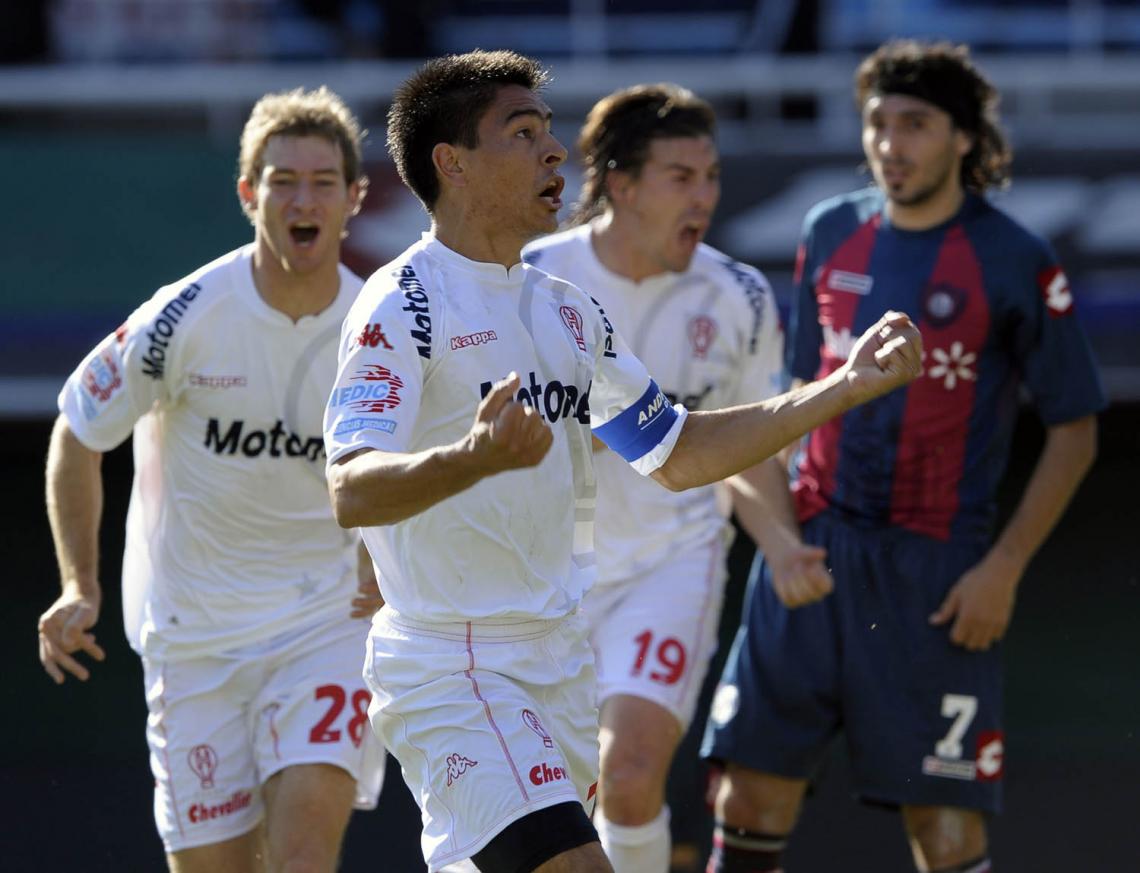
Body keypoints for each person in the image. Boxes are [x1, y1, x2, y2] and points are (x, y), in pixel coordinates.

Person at [323, 49, 923, 873]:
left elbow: (677, 451)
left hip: (556, 660)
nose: (555, 152)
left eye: (549, 132)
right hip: (454, 660)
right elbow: (351, 487)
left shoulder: (568, 312)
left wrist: (842, 388)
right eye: (524, 133)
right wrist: (471, 457)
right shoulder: (403, 302)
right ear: (452, 165)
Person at [701, 40, 1105, 873]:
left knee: (945, 828)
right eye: (877, 124)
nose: (890, 143)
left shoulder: (1013, 256)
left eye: (914, 124)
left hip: (937, 574)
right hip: (813, 546)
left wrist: (1004, 568)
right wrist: (776, 540)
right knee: (746, 798)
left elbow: (1076, 429)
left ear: (963, 138)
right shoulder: (830, 229)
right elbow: (789, 399)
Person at [37, 86, 386, 873]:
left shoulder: (382, 327)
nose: (303, 199)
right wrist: (78, 584)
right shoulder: (184, 316)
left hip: (325, 626)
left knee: (302, 856)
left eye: (323, 181)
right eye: (283, 180)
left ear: (355, 197)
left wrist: (388, 559)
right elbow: (77, 430)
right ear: (247, 193)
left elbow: (423, 463)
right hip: (194, 638)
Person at [521, 83, 821, 873]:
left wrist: (782, 544)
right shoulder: (531, 281)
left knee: (627, 773)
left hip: (671, 564)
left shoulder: (740, 295)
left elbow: (748, 445)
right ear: (620, 183)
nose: (705, 196)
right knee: (557, 800)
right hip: (545, 576)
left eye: (712, 176)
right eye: (681, 176)